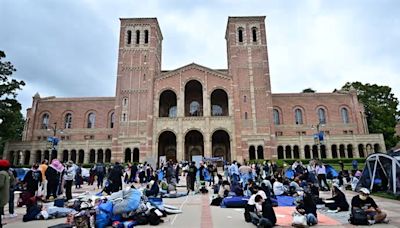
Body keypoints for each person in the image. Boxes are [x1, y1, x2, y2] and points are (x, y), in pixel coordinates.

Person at [0, 160, 11, 228]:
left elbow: (0, 184)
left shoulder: (2, 173)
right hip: (4, 195)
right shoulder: (7, 173)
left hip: (1, 196)